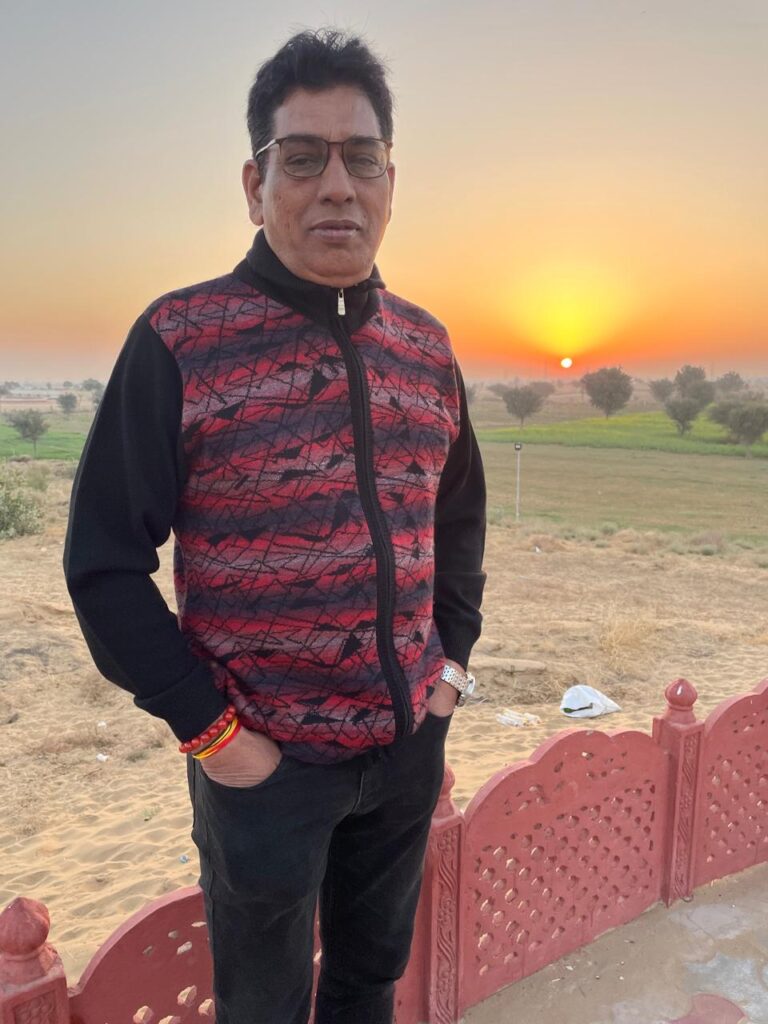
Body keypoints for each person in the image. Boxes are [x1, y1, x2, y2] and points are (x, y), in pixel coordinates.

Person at [64, 28, 486, 1024]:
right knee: (263, 1005)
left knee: (368, 985)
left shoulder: (426, 349)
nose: (337, 186)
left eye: (362, 158)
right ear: (256, 186)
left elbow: (457, 520)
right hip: (264, 767)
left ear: (391, 182)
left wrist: (450, 671)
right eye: (303, 158)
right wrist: (215, 735)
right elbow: (104, 564)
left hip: (404, 750)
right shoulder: (182, 339)